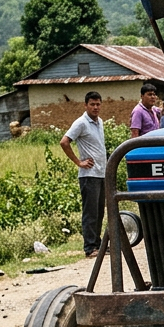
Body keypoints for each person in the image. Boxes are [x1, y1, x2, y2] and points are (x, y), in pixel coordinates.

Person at [60, 91, 109, 258]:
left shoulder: (99, 121)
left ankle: (98, 244)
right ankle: (90, 248)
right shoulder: (81, 123)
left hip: (101, 173)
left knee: (99, 212)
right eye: (92, 104)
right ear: (85, 105)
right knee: (90, 212)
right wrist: (78, 162)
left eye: (98, 104)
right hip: (89, 175)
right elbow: (64, 142)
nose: (96, 107)